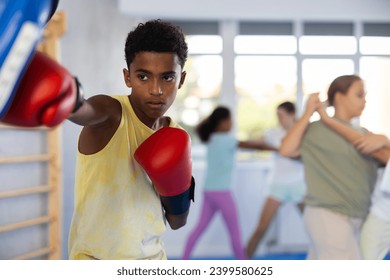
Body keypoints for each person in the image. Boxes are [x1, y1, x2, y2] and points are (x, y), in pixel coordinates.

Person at [65, 19, 195, 260]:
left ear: (182, 79)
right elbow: (84, 112)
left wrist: (173, 187)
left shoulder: (176, 136)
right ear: (128, 77)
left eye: (167, 78)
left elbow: (178, 221)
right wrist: (66, 98)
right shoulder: (111, 113)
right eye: (143, 77)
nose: (156, 90)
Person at [280, 74, 383, 259]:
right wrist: (308, 113)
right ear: (339, 97)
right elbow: (286, 149)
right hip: (329, 216)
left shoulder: (364, 133)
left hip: (356, 217)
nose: (364, 101)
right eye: (359, 95)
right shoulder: (317, 130)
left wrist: (384, 140)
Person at [181, 106, 274, 260]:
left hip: (209, 191)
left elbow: (252, 144)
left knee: (199, 229)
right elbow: (254, 146)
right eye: (230, 120)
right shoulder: (227, 140)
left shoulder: (211, 138)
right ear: (223, 122)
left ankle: (183, 260)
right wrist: (277, 148)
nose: (231, 124)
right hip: (222, 193)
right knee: (235, 232)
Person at [315, 99, 390, 260]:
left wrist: (327, 119)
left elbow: (362, 143)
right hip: (382, 216)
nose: (363, 100)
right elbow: (367, 143)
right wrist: (384, 139)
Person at [246, 101, 306, 259]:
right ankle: (242, 263)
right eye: (277, 116)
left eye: (281, 116)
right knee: (261, 228)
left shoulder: (302, 132)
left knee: (314, 228)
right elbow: (255, 143)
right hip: (277, 186)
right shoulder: (273, 133)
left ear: (292, 115)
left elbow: (304, 157)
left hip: (299, 186)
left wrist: (284, 151)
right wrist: (233, 142)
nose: (279, 119)